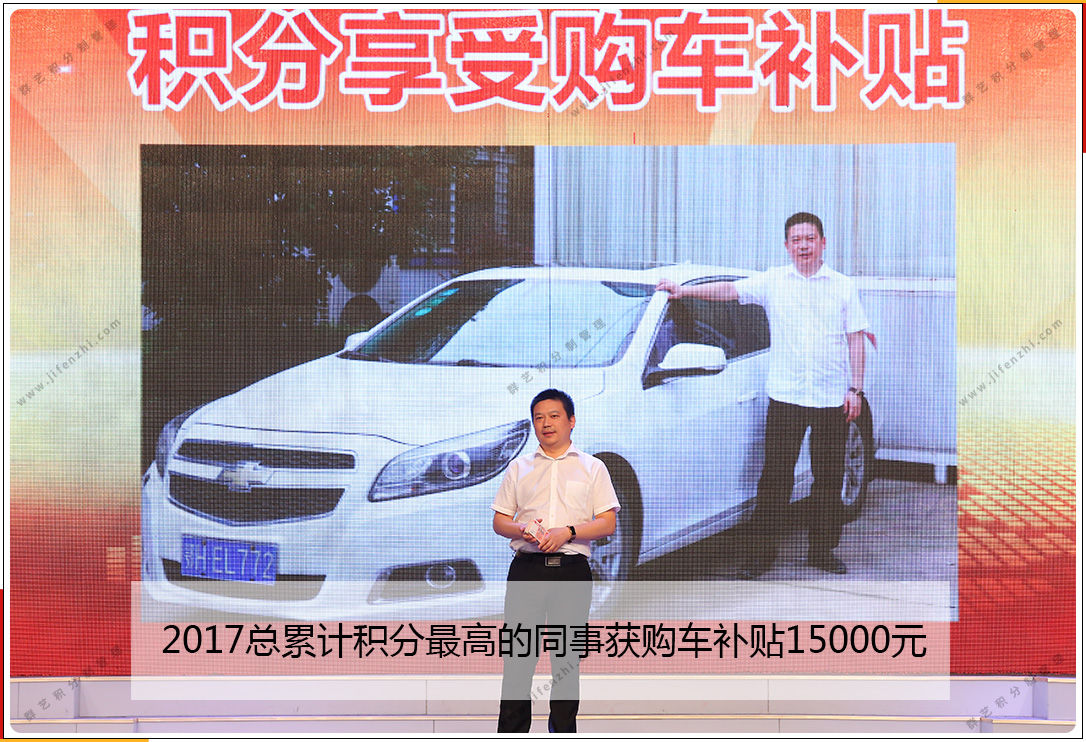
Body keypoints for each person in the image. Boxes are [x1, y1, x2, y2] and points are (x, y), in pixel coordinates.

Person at [656, 212, 869, 579]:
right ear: (787, 246)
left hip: (831, 397)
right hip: (786, 397)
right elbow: (729, 291)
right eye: (796, 240)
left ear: (823, 243)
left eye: (810, 239)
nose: (803, 246)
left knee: (828, 478)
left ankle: (821, 550)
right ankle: (761, 554)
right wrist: (684, 290)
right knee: (775, 478)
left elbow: (856, 338)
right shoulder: (773, 281)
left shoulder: (843, 286)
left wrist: (856, 388)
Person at [491, 388, 620, 733]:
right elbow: (500, 521)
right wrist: (522, 529)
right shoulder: (519, 467)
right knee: (518, 658)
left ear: (571, 421)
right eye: (538, 418)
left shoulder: (593, 467)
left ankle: (563, 733)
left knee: (567, 661)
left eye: (554, 416)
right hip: (527, 570)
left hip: (571, 573)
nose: (546, 423)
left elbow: (608, 522)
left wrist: (568, 532)